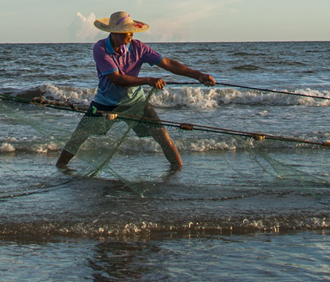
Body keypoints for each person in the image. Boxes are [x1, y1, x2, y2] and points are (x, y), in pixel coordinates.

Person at [55, 11, 215, 172]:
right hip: (105, 103)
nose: (131, 35)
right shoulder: (101, 48)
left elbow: (167, 63)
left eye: (132, 31)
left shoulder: (139, 47)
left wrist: (198, 75)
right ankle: (60, 169)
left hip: (135, 103)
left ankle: (178, 171)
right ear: (115, 33)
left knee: (163, 137)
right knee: (78, 137)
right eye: (127, 32)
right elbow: (117, 79)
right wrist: (147, 80)